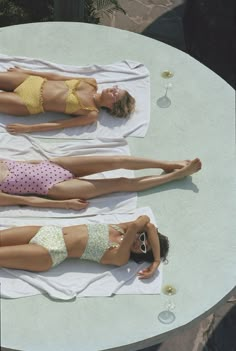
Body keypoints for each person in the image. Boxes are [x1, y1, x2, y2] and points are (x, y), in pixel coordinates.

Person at [0, 155, 202, 210]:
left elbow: (23, 162)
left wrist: (46, 161)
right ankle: (175, 175)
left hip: (53, 164)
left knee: (117, 160)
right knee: (120, 182)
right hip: (53, 188)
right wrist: (64, 204)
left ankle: (168, 163)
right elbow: (27, 201)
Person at [0, 215, 169, 279]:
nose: (139, 243)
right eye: (143, 239)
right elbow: (149, 225)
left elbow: (139, 224)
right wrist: (155, 260)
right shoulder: (121, 228)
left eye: (143, 248)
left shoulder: (121, 257)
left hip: (50, 252)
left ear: (141, 256)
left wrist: (154, 260)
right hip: (47, 231)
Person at [0, 67, 135, 134]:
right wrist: (25, 71)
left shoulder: (91, 114)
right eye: (117, 88)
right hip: (31, 81)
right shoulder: (91, 83)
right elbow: (55, 76)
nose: (114, 89)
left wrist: (28, 128)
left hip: (28, 102)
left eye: (117, 94)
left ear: (112, 106)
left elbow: (59, 125)